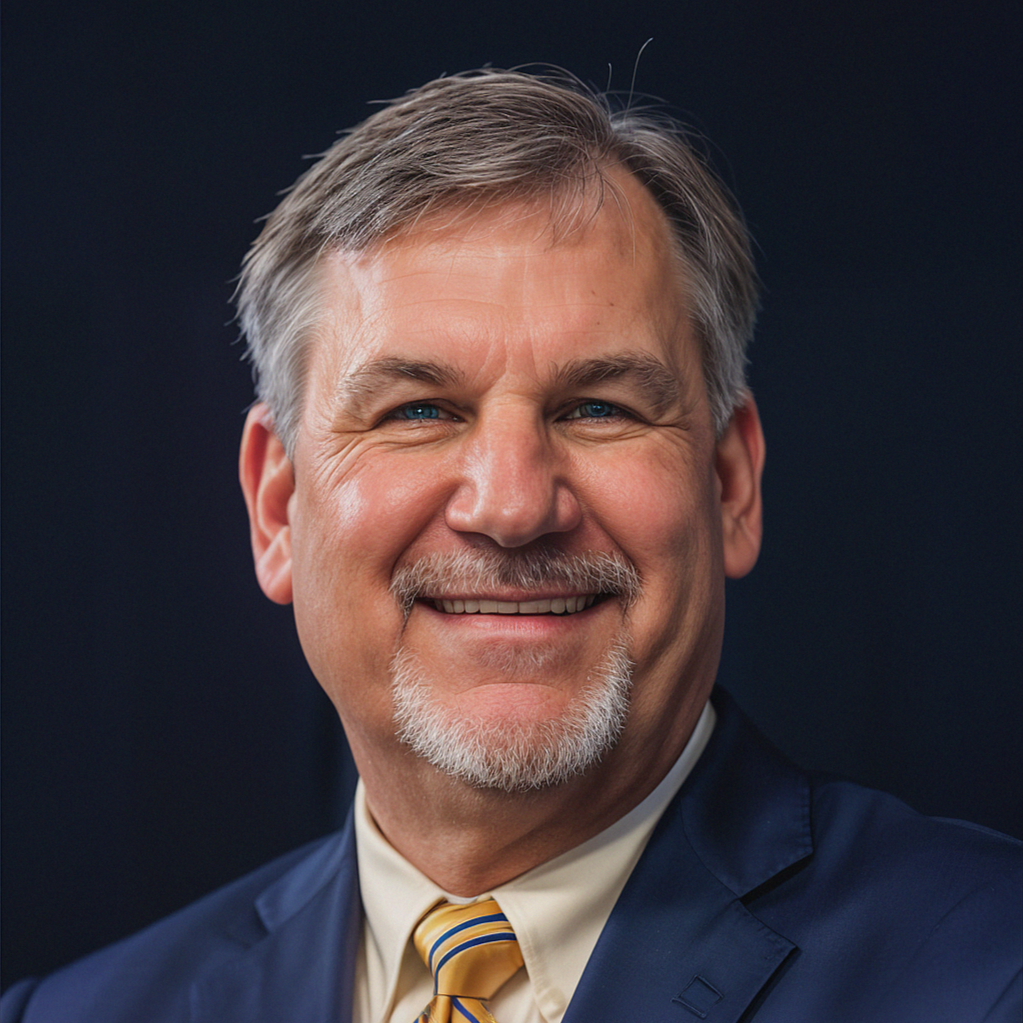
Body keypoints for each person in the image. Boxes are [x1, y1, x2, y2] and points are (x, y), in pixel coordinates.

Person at [2, 68, 1019, 1023]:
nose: (513, 504)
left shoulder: (987, 975)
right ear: (278, 508)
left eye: (596, 406)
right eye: (418, 411)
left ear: (729, 485)